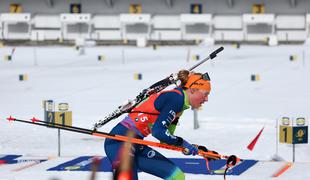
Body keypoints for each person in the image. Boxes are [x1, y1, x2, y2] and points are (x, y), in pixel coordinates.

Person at [104, 69, 213, 180]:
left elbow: (166, 138)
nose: (207, 99)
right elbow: (158, 132)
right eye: (205, 94)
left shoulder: (180, 105)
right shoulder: (176, 98)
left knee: (177, 176)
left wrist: (194, 148)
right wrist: (182, 143)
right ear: (193, 90)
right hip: (120, 141)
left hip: (136, 143)